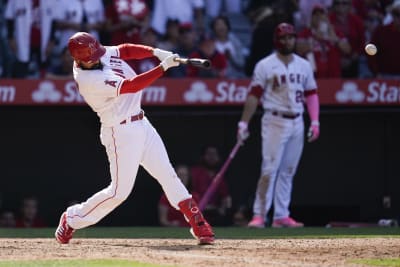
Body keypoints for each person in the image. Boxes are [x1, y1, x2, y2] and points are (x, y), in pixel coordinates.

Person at [55, 32, 214, 245]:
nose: (101, 55)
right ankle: (72, 218)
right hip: (120, 132)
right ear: (82, 59)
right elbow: (131, 85)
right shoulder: (89, 79)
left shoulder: (97, 55)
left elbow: (126, 50)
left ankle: (198, 222)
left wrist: (156, 52)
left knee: (168, 175)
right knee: (119, 192)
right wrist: (162, 68)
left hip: (141, 123)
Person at [237, 23, 320, 228]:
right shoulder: (265, 65)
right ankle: (259, 214)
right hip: (274, 120)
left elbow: (311, 94)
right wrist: (243, 123)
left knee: (288, 170)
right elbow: (254, 95)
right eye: (283, 38)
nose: (287, 41)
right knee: (270, 169)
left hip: (298, 121)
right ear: (276, 40)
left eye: (290, 37)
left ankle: (281, 215)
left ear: (295, 39)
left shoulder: (303, 65)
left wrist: (315, 120)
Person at [190, 145, 232, 226]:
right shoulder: (195, 172)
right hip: (196, 211)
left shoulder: (220, 176)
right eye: (209, 154)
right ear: (203, 156)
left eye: (214, 154)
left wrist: (222, 209)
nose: (211, 157)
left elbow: (225, 196)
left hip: (215, 213)